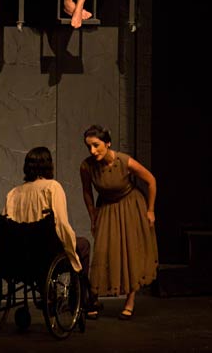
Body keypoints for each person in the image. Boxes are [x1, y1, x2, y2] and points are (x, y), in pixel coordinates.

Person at [80, 124, 159, 320]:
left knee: (131, 252)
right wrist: (92, 215)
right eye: (89, 146)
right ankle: (93, 299)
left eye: (96, 145)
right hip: (107, 207)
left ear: (107, 143)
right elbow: (87, 192)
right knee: (103, 252)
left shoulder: (124, 161)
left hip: (130, 206)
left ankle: (130, 302)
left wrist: (150, 210)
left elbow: (151, 180)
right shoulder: (87, 166)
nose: (92, 151)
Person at [3, 146, 91, 299]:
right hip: (45, 253)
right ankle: (80, 299)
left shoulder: (13, 193)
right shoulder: (52, 187)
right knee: (83, 245)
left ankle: (49, 291)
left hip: (20, 255)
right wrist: (72, 254)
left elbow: (7, 227)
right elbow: (61, 224)